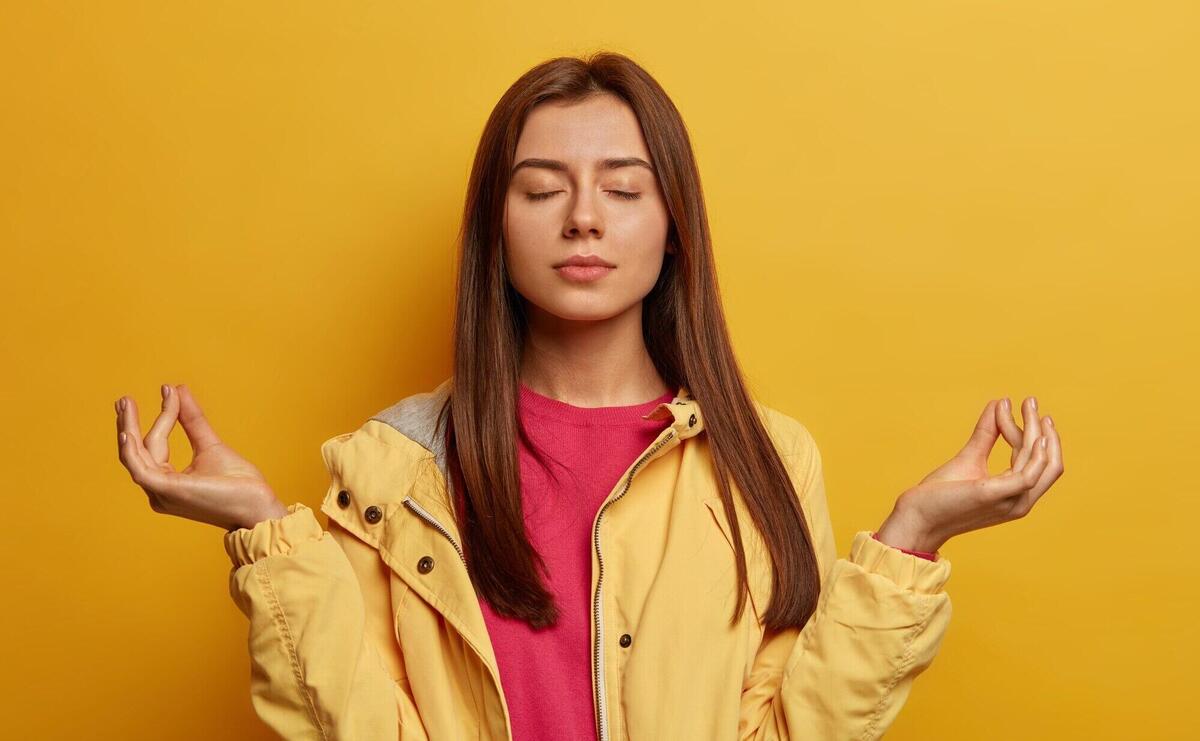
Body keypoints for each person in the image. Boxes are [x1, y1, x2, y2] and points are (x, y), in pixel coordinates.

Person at [114, 51, 1064, 740]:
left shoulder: (766, 458)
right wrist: (263, 534)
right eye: (540, 190)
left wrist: (911, 540)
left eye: (624, 187)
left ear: (673, 225)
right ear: (498, 225)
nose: (582, 218)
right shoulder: (392, 468)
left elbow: (787, 731)